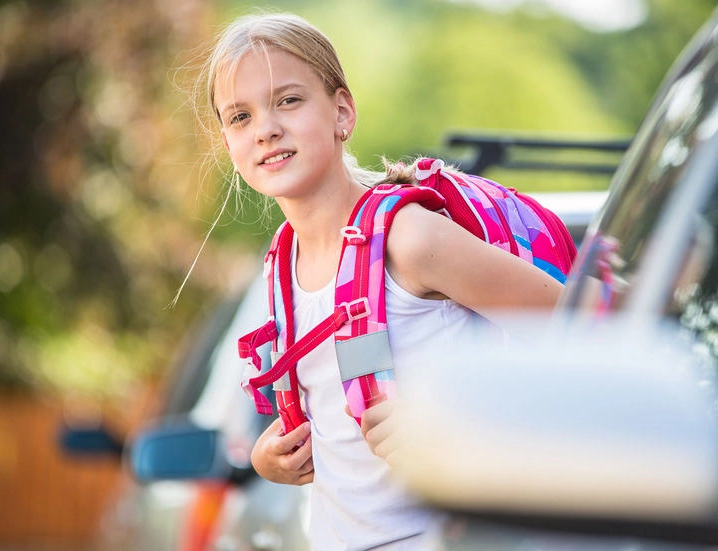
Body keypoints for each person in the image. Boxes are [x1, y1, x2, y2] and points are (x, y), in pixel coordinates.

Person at [199, 11, 561, 550]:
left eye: (289, 100)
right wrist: (266, 460)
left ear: (342, 112)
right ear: (229, 144)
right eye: (240, 116)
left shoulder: (409, 239)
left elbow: (584, 331)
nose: (265, 129)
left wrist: (450, 423)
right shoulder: (280, 268)